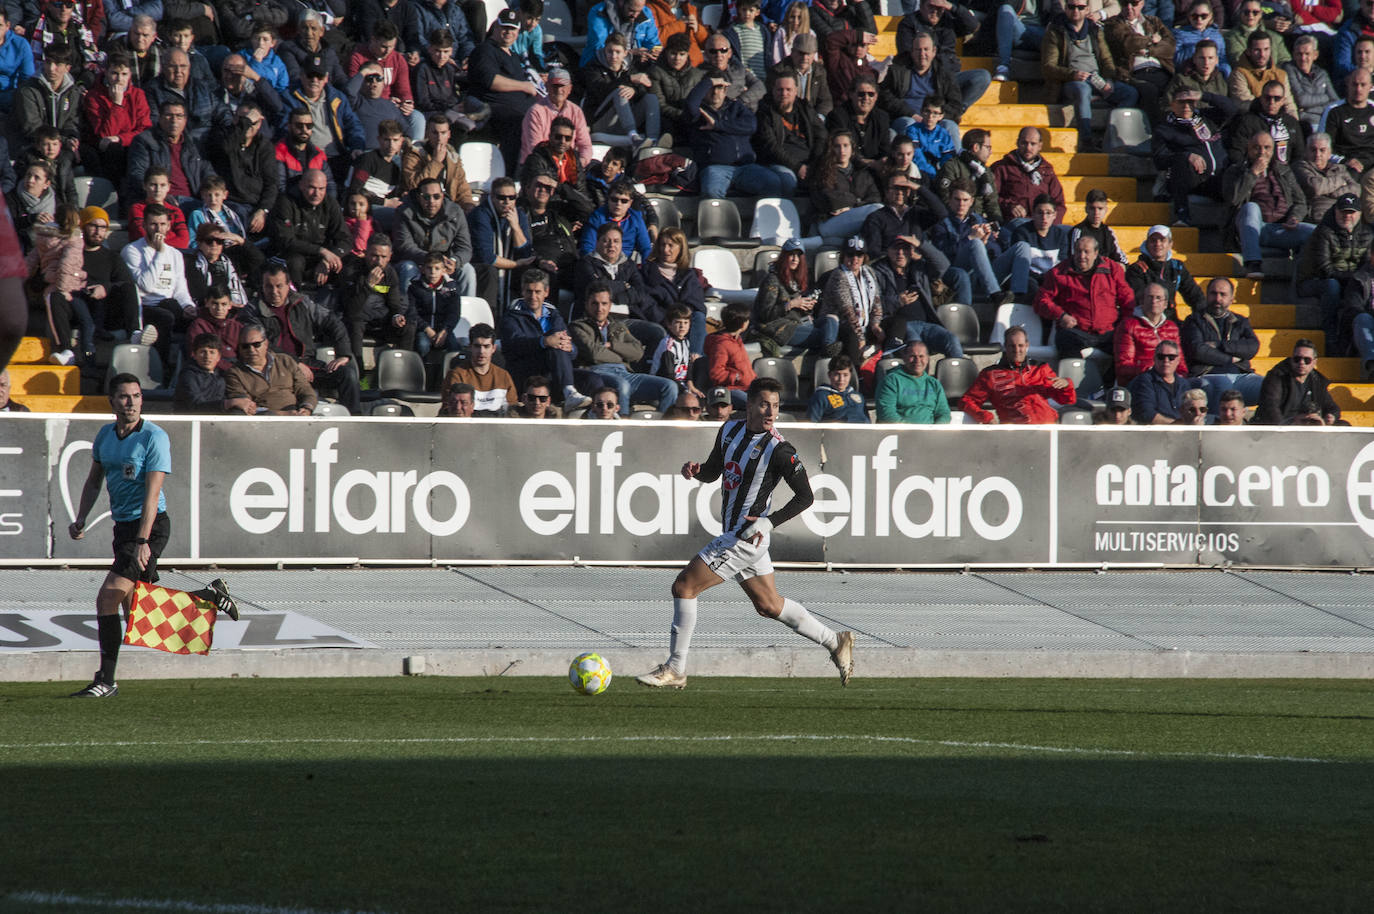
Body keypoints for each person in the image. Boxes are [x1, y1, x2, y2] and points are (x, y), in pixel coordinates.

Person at [636, 376, 853, 689]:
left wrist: (770, 521)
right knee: (769, 605)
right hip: (742, 536)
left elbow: (806, 496)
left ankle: (675, 668)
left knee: (684, 587)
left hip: (745, 536)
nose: (771, 411)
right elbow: (714, 471)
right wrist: (697, 471)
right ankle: (836, 641)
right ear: (749, 404)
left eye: (776, 406)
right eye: (764, 403)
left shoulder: (779, 449)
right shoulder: (729, 429)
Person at [67, 373, 238, 698]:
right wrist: (81, 518)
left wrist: (144, 542)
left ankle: (105, 680)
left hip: (150, 526)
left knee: (107, 597)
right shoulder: (105, 436)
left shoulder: (153, 437)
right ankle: (210, 598)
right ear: (112, 401)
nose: (130, 402)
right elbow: (93, 481)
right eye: (124, 396)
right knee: (136, 610)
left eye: (136, 396)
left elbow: (151, 494)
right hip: (124, 529)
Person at [246, 263, 362, 415]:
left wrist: (343, 354)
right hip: (275, 370)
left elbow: (333, 322)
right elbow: (263, 346)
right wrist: (295, 363)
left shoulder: (302, 303)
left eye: (279, 286)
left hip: (308, 364)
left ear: (289, 285)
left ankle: (355, 421)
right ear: (262, 286)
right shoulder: (252, 311)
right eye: (269, 286)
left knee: (347, 373)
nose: (274, 291)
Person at [1041, 0, 1138, 151]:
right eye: (1072, 7)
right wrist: (1073, 74)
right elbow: (1048, 67)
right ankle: (1086, 141)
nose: (1076, 11)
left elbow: (1106, 60)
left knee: (1130, 93)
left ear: (1087, 10)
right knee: (1082, 90)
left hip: (1096, 79)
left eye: (1080, 7)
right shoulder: (1056, 31)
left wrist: (1109, 81)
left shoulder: (1095, 30)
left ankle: (1109, 137)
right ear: (1065, 8)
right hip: (1071, 82)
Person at [572, 282, 678, 415]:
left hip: (625, 373)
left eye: (604, 304)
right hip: (598, 373)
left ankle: (664, 430)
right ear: (587, 304)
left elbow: (638, 352)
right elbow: (594, 353)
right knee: (622, 385)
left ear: (610, 305)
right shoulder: (578, 326)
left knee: (669, 386)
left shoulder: (618, 326)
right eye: (595, 303)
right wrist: (622, 354)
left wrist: (612, 346)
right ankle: (624, 424)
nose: (599, 308)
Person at [1224, 131, 1312, 280]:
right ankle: (1253, 263)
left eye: (1266, 148)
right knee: (1251, 207)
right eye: (1256, 147)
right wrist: (1252, 173)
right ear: (1248, 149)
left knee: (1314, 232)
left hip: (1281, 228)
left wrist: (1294, 217)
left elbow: (1301, 201)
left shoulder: (1284, 171)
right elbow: (1233, 199)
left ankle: (1304, 277)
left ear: (1273, 150)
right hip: (1252, 228)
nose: (1262, 152)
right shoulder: (1235, 171)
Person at [502, 267, 592, 408]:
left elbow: (571, 350)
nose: (533, 296)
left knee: (593, 379)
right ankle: (568, 392)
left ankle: (603, 413)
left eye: (537, 292)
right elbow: (512, 346)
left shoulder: (553, 315)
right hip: (527, 371)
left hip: (554, 371)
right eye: (529, 291)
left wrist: (570, 348)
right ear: (522, 291)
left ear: (546, 292)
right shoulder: (511, 316)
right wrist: (543, 342)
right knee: (554, 347)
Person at [1033, 234, 1134, 360]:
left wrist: (1124, 324)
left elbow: (1127, 299)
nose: (1082, 256)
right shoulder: (1059, 273)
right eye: (1078, 251)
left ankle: (1114, 379)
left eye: (1087, 252)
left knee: (1128, 344)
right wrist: (1061, 315)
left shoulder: (1112, 269)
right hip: (1077, 332)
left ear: (1096, 253)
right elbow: (1040, 300)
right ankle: (1073, 378)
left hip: (1109, 332)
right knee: (1065, 339)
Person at [1297, 192, 1371, 354]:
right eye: (1343, 211)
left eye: (1351, 212)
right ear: (1336, 211)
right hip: (1313, 281)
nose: (1347, 216)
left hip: (1351, 282)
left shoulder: (1368, 235)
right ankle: (1330, 337)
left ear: (1359, 214)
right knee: (1332, 286)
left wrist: (1355, 281)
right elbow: (1325, 269)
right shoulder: (1323, 232)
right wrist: (1353, 279)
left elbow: (1367, 267)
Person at [960, 325, 1076, 423]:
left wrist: (1066, 384)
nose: (1016, 350)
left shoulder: (1040, 368)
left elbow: (1066, 400)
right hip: (1016, 433)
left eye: (1020, 345)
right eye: (1012, 346)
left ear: (1027, 345)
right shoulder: (990, 374)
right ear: (1005, 346)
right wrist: (985, 417)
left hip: (1047, 428)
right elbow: (966, 401)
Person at [1181, 276, 1262, 409]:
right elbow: (1198, 350)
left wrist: (1220, 345)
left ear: (1231, 299)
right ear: (1207, 295)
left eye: (1222, 294)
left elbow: (1253, 346)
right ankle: (1218, 424)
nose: (1217, 299)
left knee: (1269, 385)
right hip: (1206, 375)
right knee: (1223, 385)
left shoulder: (1240, 321)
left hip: (1240, 376)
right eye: (1213, 293)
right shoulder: (1194, 320)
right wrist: (1230, 359)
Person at [751, 238, 839, 357]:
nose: (794, 259)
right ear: (784, 257)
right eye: (791, 255)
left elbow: (796, 313)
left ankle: (827, 348)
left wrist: (807, 307)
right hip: (776, 327)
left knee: (831, 320)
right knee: (823, 335)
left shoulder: (795, 280)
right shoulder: (772, 280)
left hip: (795, 323)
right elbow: (765, 314)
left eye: (798, 256)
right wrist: (791, 304)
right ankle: (827, 351)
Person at [391, 176, 477, 297]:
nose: (431, 201)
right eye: (426, 197)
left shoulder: (455, 212)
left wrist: (454, 261)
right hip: (416, 260)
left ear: (442, 196)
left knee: (467, 270)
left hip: (445, 263)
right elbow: (404, 246)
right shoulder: (404, 212)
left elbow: (465, 248)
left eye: (436, 196)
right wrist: (431, 260)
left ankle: (465, 313)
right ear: (418, 197)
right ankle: (405, 311)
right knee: (408, 268)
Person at [1152, 87, 1227, 226]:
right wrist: (1187, 155)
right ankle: (1182, 216)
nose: (1186, 106)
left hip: (1218, 179)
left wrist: (1204, 95)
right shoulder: (1165, 129)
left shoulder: (1208, 118)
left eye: (1190, 102)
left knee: (1240, 172)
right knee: (1181, 162)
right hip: (1193, 181)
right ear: (1172, 104)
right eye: (1181, 102)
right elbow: (1159, 159)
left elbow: (1232, 108)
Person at [754, 69, 826, 194]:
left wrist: (814, 164)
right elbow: (771, 146)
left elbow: (821, 135)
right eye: (780, 89)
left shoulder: (805, 109)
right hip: (780, 163)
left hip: (809, 162)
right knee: (788, 181)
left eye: (788, 90)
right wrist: (797, 167)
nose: (784, 93)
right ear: (773, 90)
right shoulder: (765, 111)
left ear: (796, 91)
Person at [223, 323, 318, 415]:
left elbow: (305, 390)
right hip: (262, 421)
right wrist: (282, 414)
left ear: (266, 343)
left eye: (256, 344)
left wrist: (307, 409)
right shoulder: (235, 373)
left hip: (296, 414)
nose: (251, 350)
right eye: (245, 346)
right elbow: (246, 406)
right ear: (239, 348)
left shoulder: (285, 361)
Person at [1103, 0, 1174, 121]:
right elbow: (1129, 42)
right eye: (1125, 4)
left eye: (1134, 4)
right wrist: (1152, 39)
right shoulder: (1113, 23)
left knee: (1178, 88)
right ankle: (1153, 131)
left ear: (1142, 4)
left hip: (1160, 70)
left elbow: (1170, 46)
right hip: (1133, 73)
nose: (1129, 8)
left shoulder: (1154, 21)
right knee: (1149, 90)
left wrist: (1148, 51)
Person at [811, 130, 883, 244]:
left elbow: (875, 197)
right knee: (876, 209)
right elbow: (831, 200)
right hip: (829, 222)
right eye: (837, 146)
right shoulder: (823, 171)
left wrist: (851, 207)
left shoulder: (862, 171)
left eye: (845, 146)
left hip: (855, 218)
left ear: (852, 149)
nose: (842, 150)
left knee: (878, 211)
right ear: (831, 149)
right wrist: (858, 202)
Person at [991, 126, 1066, 228]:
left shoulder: (1047, 170)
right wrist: (1009, 206)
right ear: (1017, 143)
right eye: (1024, 143)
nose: (1028, 148)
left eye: (1033, 144)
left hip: (1043, 224)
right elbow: (991, 197)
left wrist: (1052, 224)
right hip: (1015, 222)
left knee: (1069, 232)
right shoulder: (1002, 167)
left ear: (1040, 146)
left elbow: (1059, 203)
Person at [1115, 281, 1187, 383]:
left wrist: (1180, 378)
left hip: (1170, 381)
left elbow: (1180, 364)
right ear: (1142, 301)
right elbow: (1123, 367)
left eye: (1158, 298)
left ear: (1165, 304)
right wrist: (1152, 370)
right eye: (1150, 297)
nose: (1154, 301)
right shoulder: (1128, 325)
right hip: (1141, 381)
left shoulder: (1172, 328)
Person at [520, 67, 594, 167]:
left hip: (568, 167)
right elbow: (535, 148)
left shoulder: (576, 111)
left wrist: (580, 163)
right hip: (537, 167)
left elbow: (585, 145)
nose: (559, 90)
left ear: (570, 89)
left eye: (563, 86)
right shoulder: (535, 112)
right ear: (546, 86)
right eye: (555, 86)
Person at [1126, 224, 1204, 317]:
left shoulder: (1177, 267)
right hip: (1144, 320)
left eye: (1162, 240)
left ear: (1170, 244)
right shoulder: (1136, 269)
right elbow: (1141, 300)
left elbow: (1195, 295)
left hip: (1171, 321)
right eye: (1153, 240)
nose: (1157, 244)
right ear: (1146, 244)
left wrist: (1201, 318)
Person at [1256, 338, 1340, 424]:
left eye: (1307, 360)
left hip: (1309, 426)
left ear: (1314, 362)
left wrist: (1331, 416)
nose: (1301, 362)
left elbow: (1332, 407)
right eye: (1297, 359)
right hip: (1283, 425)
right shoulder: (1277, 376)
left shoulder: (1317, 380)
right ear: (1291, 359)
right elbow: (1270, 407)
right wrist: (1285, 428)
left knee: (1343, 425)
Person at [442, 323, 519, 415]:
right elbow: (451, 411)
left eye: (486, 346)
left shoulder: (504, 376)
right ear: (470, 347)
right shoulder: (457, 375)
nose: (481, 352)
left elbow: (513, 411)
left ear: (493, 348)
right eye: (477, 346)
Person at [1127, 339, 1203, 424]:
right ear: (1154, 359)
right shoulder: (1143, 382)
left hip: (1183, 433)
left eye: (1171, 357)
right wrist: (1176, 425)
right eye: (1161, 357)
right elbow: (1147, 414)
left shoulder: (1184, 384)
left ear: (1178, 360)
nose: (1166, 360)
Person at [875, 340, 949, 423]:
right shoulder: (891, 381)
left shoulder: (934, 383)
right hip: (900, 433)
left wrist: (935, 430)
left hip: (930, 433)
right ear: (904, 357)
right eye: (913, 356)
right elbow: (886, 414)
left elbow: (944, 413)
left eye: (921, 356)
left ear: (928, 359)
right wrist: (912, 431)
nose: (917, 360)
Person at [1296, 133, 1359, 224]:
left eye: (1322, 150)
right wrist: (1340, 181)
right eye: (1313, 150)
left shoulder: (1339, 168)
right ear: (1306, 151)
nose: (1318, 154)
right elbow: (1316, 187)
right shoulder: (1300, 167)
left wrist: (1331, 192)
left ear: (1329, 153)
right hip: (1316, 219)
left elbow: (1356, 189)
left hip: (1341, 217)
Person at [703, 301, 756, 409]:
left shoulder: (737, 340)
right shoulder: (721, 344)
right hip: (730, 390)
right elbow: (716, 374)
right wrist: (736, 377)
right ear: (743, 324)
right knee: (756, 407)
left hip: (747, 387)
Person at [1285, 35, 1338, 133]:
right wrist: (1325, 97)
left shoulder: (1322, 73)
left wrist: (1309, 109)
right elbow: (1302, 100)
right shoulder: (1289, 69)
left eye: (1307, 54)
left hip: (1325, 121)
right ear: (1293, 54)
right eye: (1299, 54)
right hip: (1305, 124)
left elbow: (1335, 102)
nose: (1303, 58)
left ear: (1315, 55)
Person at [175, 330, 228, 413]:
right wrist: (226, 404)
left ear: (219, 357)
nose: (207, 356)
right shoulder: (188, 376)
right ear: (195, 355)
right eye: (203, 352)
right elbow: (196, 405)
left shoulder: (221, 377)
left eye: (212, 352)